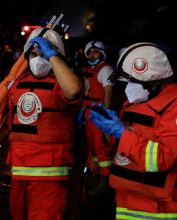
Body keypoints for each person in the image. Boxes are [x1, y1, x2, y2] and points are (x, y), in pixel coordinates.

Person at [0, 27, 83, 220]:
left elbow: (74, 91)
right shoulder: (17, 84)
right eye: (34, 54)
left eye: (43, 54)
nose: (38, 59)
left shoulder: (63, 82)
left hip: (50, 176)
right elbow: (11, 125)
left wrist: (51, 54)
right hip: (19, 172)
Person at [89, 42, 177, 219]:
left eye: (132, 81)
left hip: (159, 210)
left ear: (152, 79)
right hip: (127, 201)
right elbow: (123, 151)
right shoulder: (139, 100)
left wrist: (122, 133)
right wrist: (108, 128)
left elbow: (163, 158)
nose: (128, 87)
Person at [76, 40, 115, 196]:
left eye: (96, 52)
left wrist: (105, 119)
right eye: (90, 52)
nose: (92, 54)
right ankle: (96, 174)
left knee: (101, 148)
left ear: (102, 53)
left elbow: (108, 95)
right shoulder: (87, 69)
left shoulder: (106, 70)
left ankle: (105, 180)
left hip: (98, 113)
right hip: (88, 112)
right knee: (92, 147)